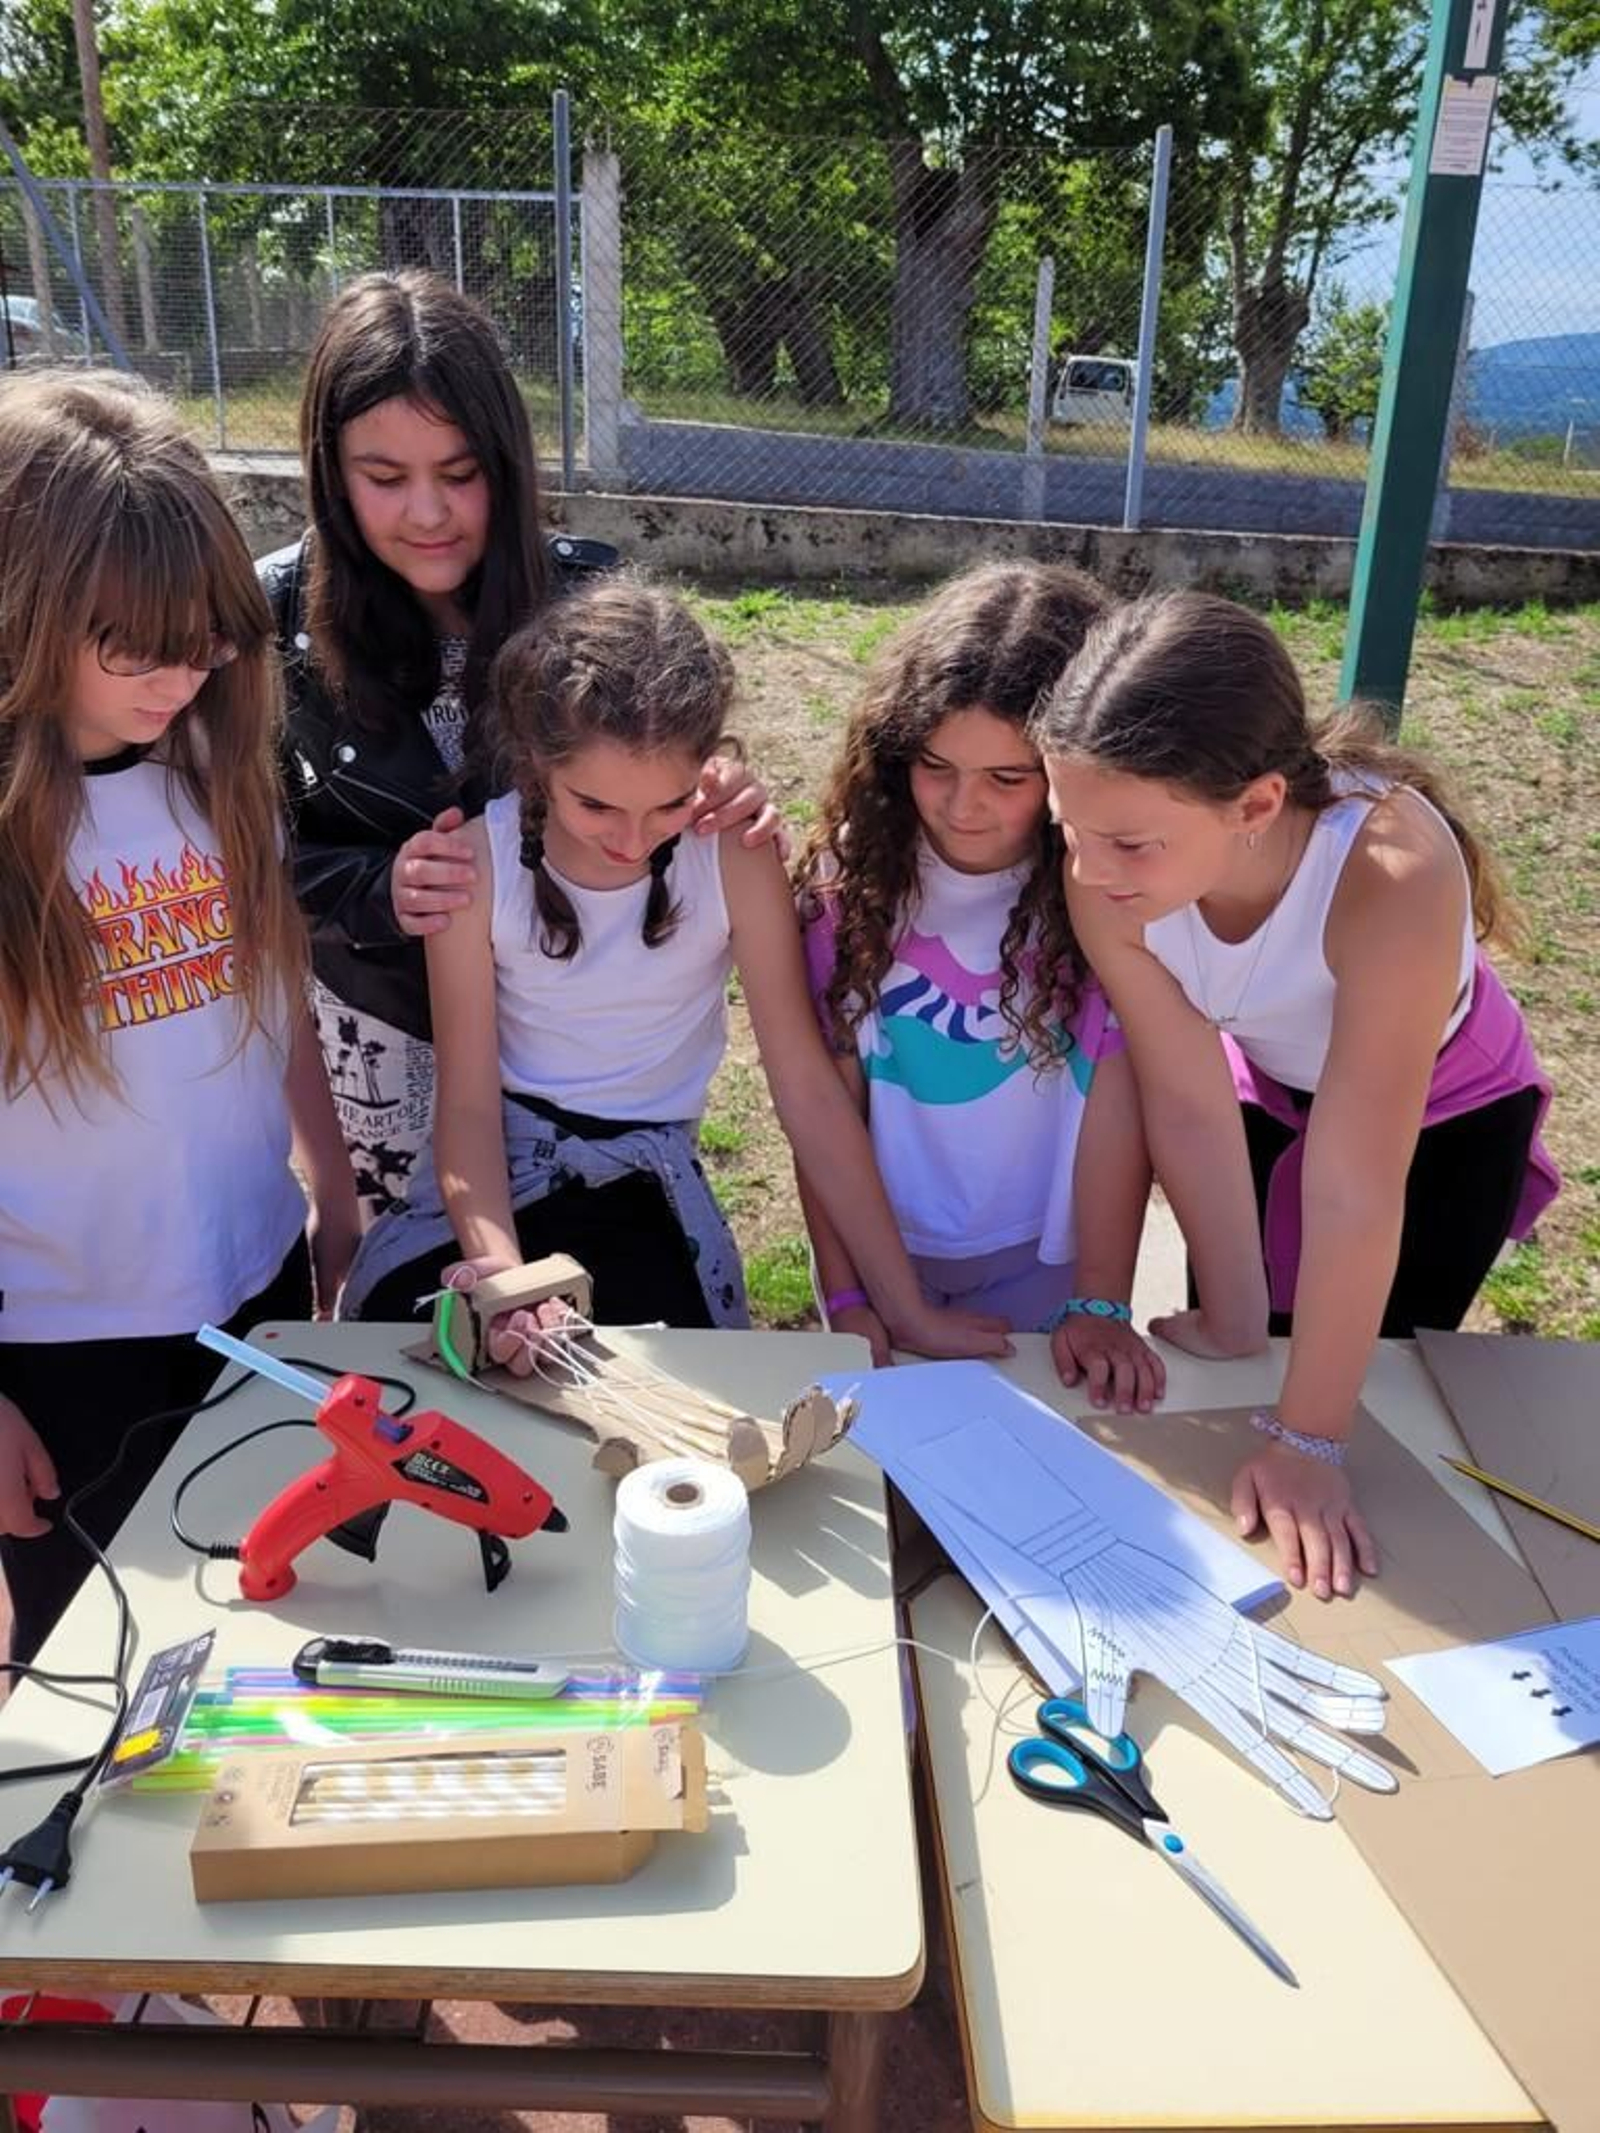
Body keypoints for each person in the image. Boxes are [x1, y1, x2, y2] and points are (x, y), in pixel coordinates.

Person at [339, 575, 1013, 1369]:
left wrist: (905, 1307)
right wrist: (503, 1274)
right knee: (402, 1346)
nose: (631, 841)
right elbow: (467, 1108)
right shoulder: (475, 869)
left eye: (666, 805)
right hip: (497, 1180)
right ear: (532, 763)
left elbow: (805, 1087)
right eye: (594, 806)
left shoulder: (730, 850)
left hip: (648, 1179)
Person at [1034, 590, 1558, 1600]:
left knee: (1369, 1418)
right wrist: (1233, 1312)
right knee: (1236, 1362)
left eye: (1131, 846)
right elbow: (1183, 1097)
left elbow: (1357, 1190)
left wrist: (1310, 1442)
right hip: (1269, 1086)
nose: (1091, 875)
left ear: (1258, 805)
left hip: (1443, 1121)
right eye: (1070, 830)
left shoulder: (1390, 871)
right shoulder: (1102, 858)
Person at [260, 270, 778, 1219]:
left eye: (460, 475)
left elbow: (657, 760)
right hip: (386, 1032)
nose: (428, 513)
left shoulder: (587, 592)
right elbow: (242, 859)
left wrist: (711, 787)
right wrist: (379, 890)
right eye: (384, 478)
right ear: (329, 469)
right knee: (419, 1306)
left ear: (509, 460)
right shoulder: (271, 617)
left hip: (579, 1052)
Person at [0, 371, 357, 1665]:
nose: (179, 674)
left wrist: (330, 1187)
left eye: (204, 635)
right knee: (89, 1679)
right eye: (130, 646)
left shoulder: (216, 763)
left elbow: (273, 999)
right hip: (56, 1352)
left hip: (248, 1293)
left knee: (248, 1630)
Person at [794, 562, 1164, 1411]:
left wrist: (1101, 1299)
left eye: (1009, 778)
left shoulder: (1107, 891)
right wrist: (849, 1296)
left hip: (1046, 1263)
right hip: (881, 1250)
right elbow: (825, 1109)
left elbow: (1119, 1098)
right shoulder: (840, 888)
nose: (964, 807)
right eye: (935, 766)